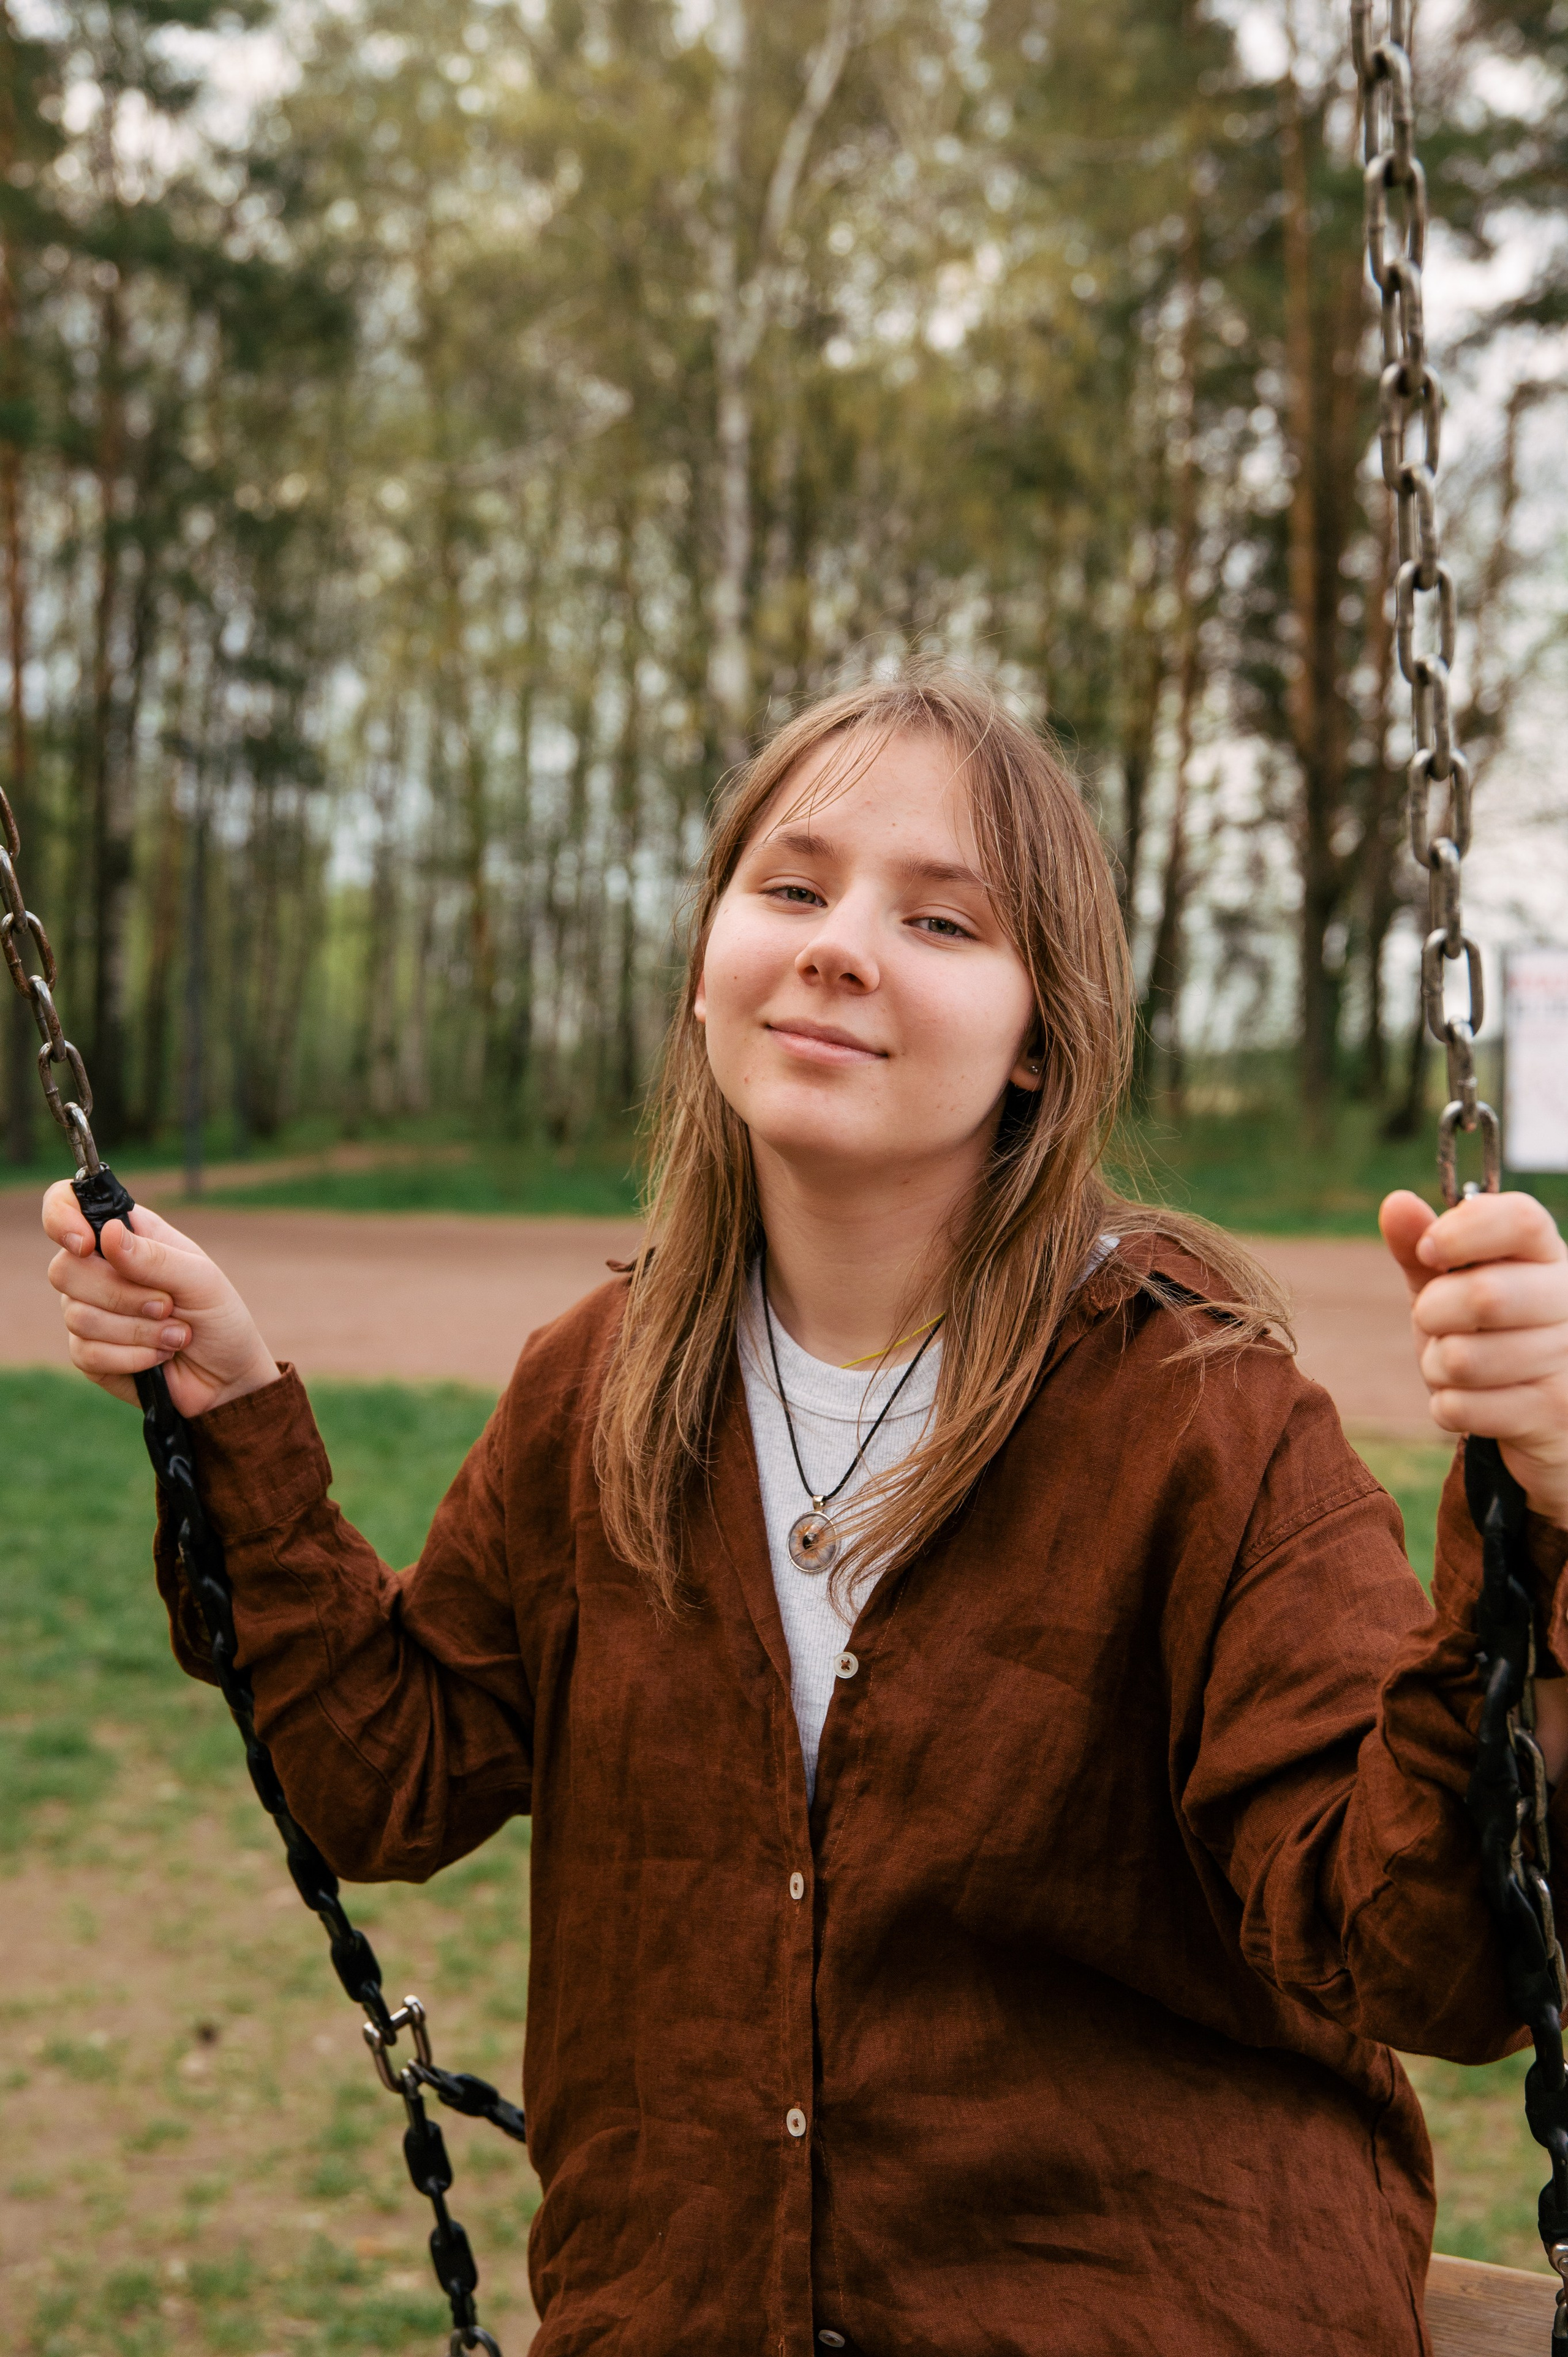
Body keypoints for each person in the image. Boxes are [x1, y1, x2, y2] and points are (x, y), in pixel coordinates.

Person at [40, 665, 1568, 2357]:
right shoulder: (602, 1389)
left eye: (942, 921)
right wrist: (235, 1411)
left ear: (1042, 1036)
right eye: (791, 888)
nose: (838, 943)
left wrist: (1547, 1533)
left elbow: (1421, 1952)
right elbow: (382, 1778)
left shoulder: (1199, 1419)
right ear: (708, 968)